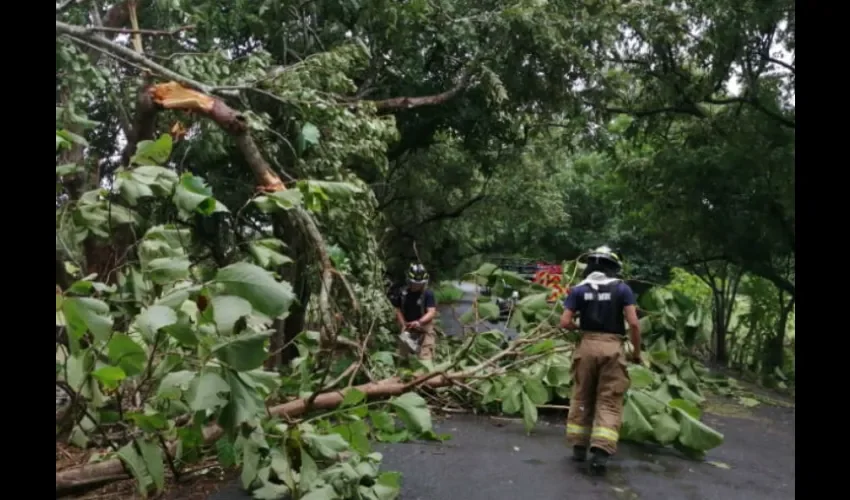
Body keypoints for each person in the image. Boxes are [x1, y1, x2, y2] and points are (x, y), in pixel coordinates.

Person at [559, 246, 642, 475]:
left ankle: (578, 447)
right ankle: (601, 452)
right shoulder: (622, 289)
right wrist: (636, 353)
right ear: (614, 268)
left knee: (582, 395)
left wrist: (581, 329)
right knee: (608, 399)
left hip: (586, 346)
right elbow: (634, 323)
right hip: (612, 347)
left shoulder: (578, 290)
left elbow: (564, 322)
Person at [393, 263, 438, 361]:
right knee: (402, 356)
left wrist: (419, 322)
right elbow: (398, 310)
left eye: (420, 283)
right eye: (415, 283)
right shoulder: (402, 293)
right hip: (408, 327)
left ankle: (426, 374)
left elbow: (431, 312)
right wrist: (403, 324)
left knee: (425, 358)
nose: (418, 285)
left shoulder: (428, 294)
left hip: (424, 328)